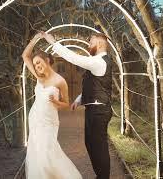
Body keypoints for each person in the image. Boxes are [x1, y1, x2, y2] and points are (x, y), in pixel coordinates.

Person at [41, 31, 113, 179]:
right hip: (94, 108)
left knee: (98, 147)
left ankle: (103, 177)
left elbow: (73, 58)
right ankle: (100, 175)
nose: (89, 45)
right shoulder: (97, 61)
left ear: (99, 43)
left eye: (91, 42)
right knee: (91, 144)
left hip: (99, 111)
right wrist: (79, 99)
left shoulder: (99, 61)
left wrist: (53, 43)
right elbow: (92, 84)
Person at [22, 32, 82, 179]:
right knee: (36, 154)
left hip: (49, 122)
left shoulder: (60, 81)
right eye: (35, 65)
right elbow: (25, 56)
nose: (36, 67)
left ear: (47, 60)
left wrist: (56, 102)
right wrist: (35, 39)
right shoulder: (38, 77)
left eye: (39, 63)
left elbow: (66, 104)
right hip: (35, 119)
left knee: (48, 153)